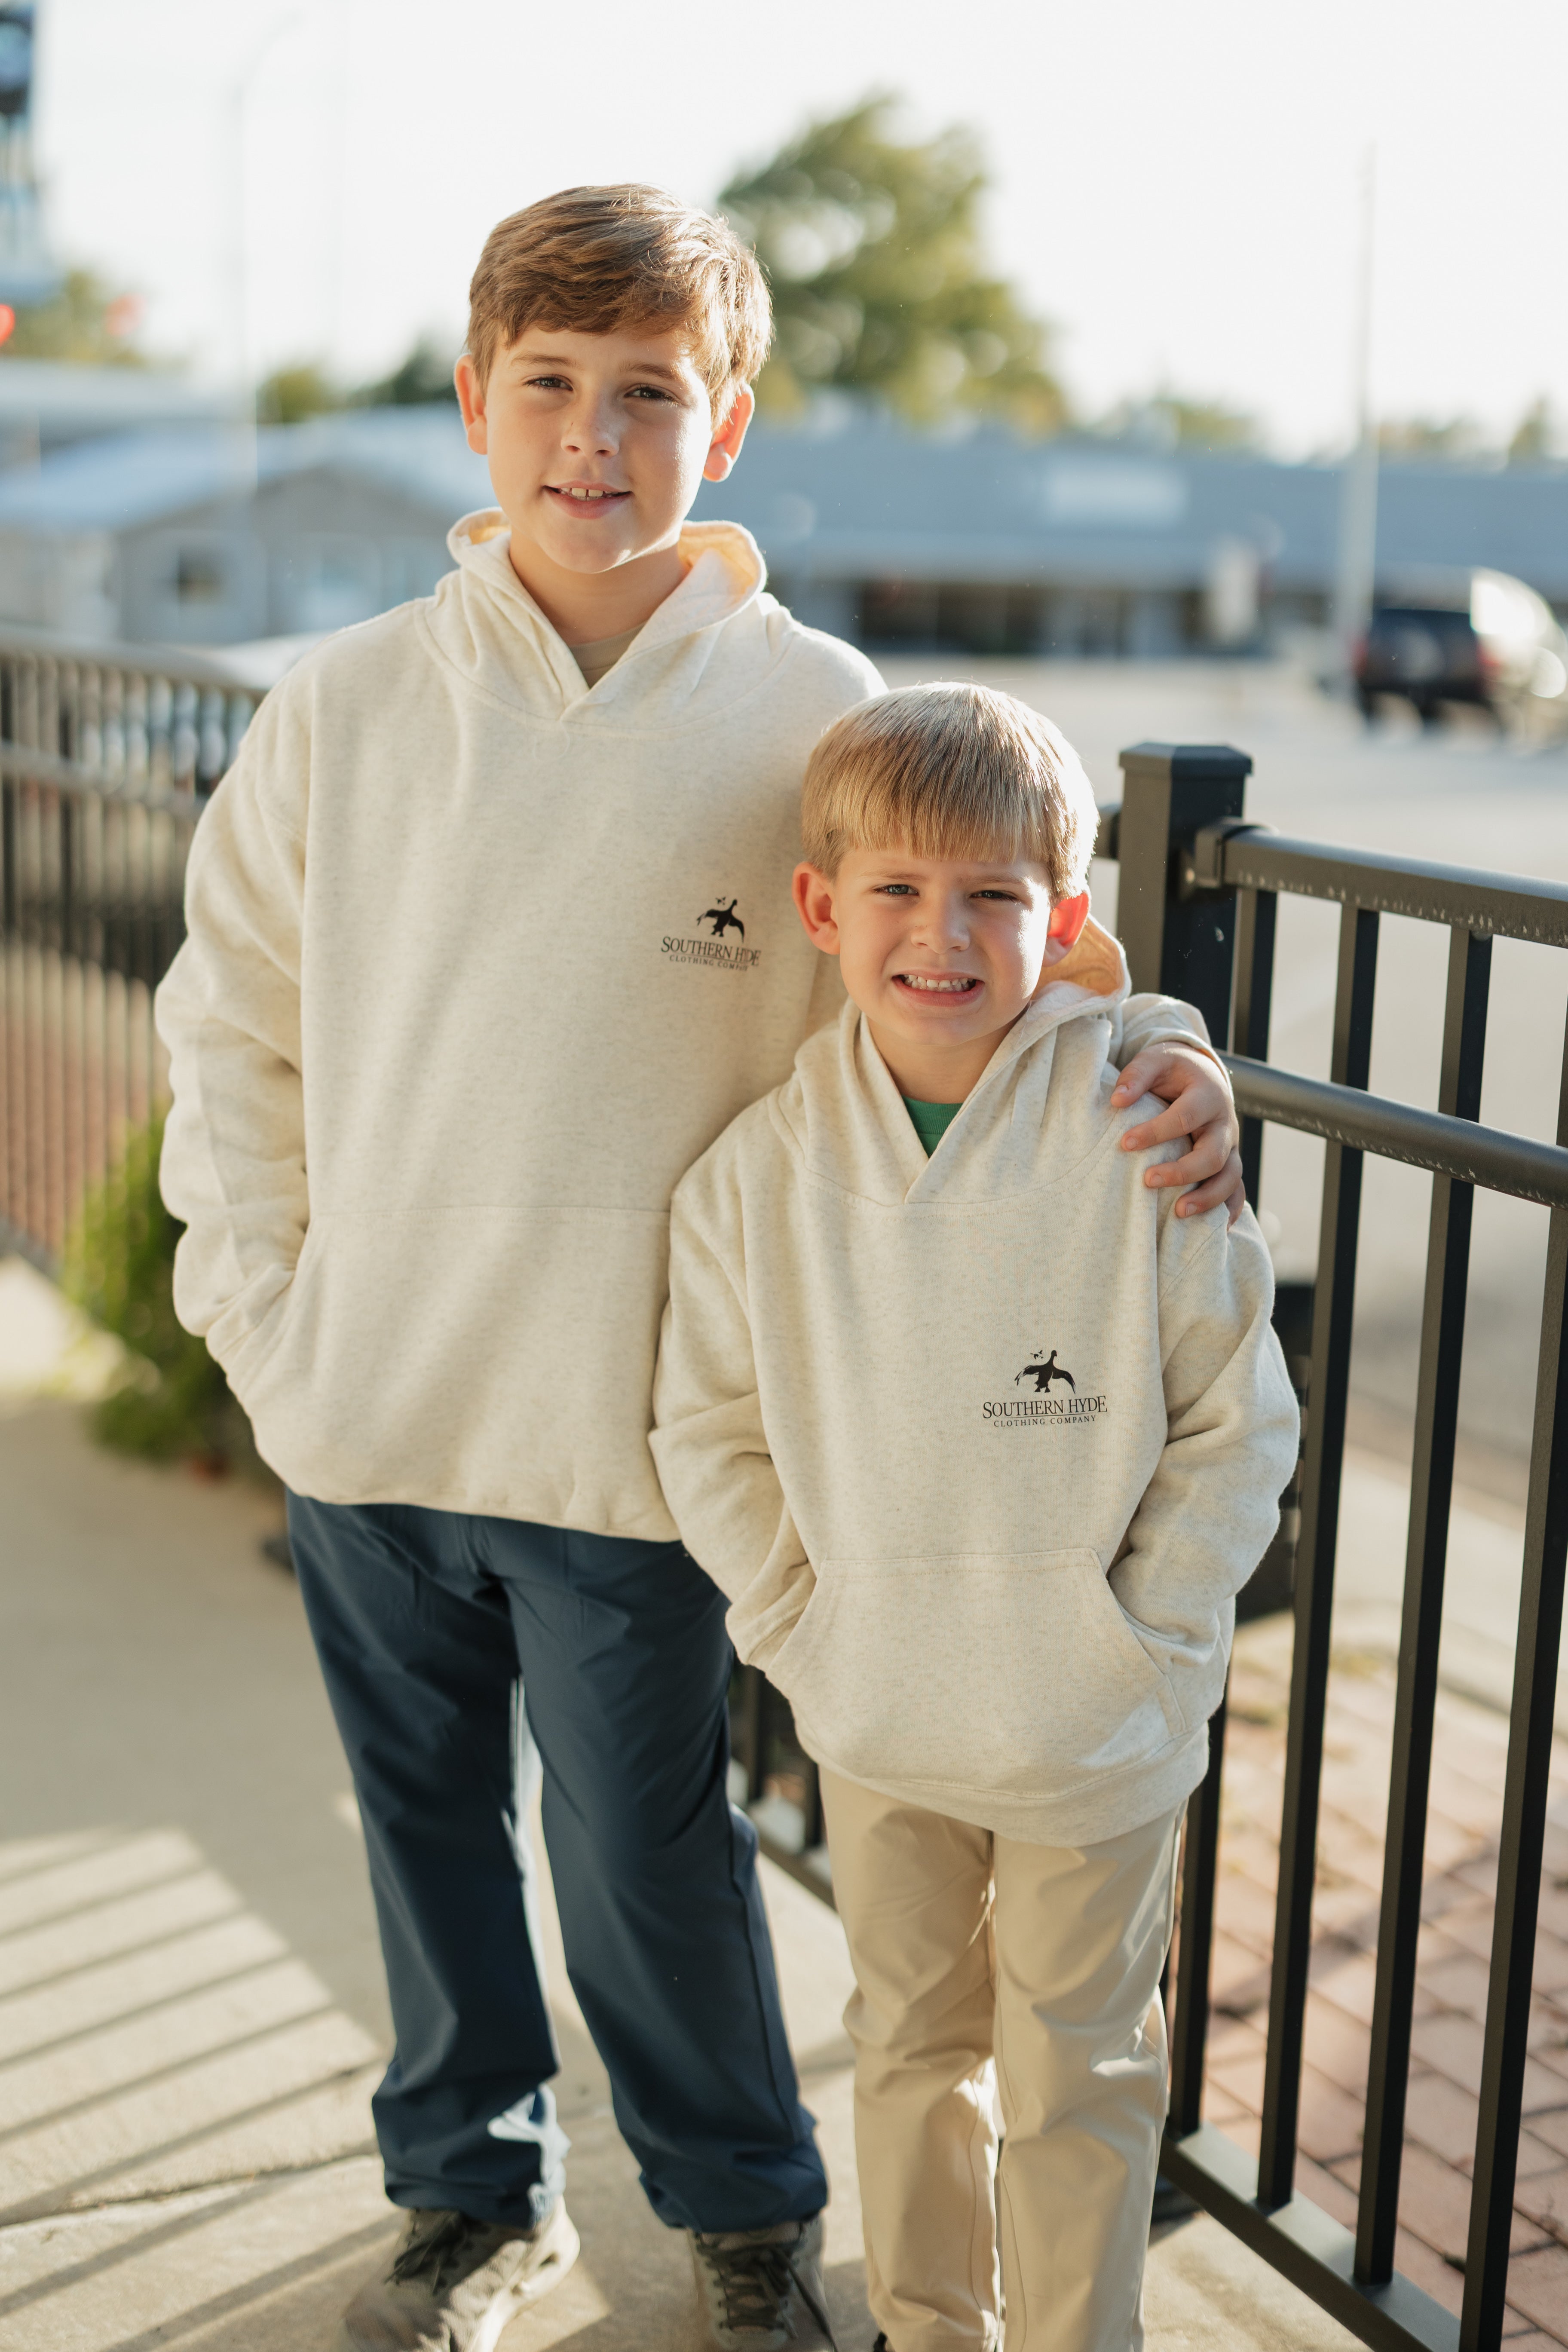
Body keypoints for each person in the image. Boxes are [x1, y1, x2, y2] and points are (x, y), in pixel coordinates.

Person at [154, 187, 1248, 2352]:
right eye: (545, 386)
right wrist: (260, 1320)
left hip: (642, 1440)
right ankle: (471, 2202)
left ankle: (745, 2214)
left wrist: (1174, 1055)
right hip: (365, 1406)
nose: (591, 436)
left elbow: (982, 954)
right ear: (475, 405)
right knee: (431, 1842)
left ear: (722, 424)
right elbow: (232, 1030)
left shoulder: (808, 711)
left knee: (654, 1859)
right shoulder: (345, 712)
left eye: (646, 392)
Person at [652, 683, 1299, 2352]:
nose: (941, 936)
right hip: (881, 1717)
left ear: (1064, 918)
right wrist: (808, 1627)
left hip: (1098, 1723)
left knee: (1080, 2066)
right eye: (897, 891)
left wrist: (1148, 1646)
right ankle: (935, 2330)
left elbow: (1239, 1421)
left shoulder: (1145, 1132)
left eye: (995, 896)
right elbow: (708, 1433)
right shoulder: (758, 1180)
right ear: (818, 908)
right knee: (909, 2046)